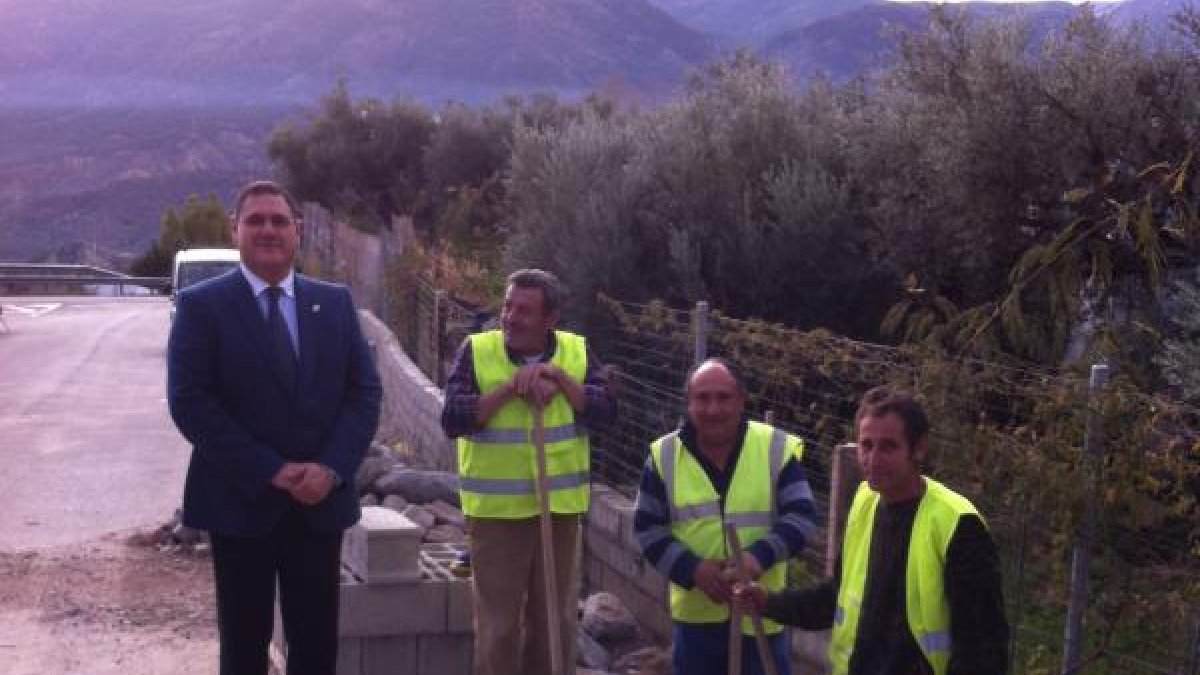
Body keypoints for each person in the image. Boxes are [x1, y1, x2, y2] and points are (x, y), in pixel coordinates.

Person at [167, 180, 382, 675]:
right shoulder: (203, 308)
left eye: (279, 220)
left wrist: (330, 469)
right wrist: (271, 470)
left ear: (297, 231)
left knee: (316, 645)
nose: (268, 230)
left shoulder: (334, 303)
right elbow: (190, 403)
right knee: (243, 648)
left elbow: (363, 394)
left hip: (319, 503)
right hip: (239, 502)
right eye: (256, 220)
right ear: (234, 229)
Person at [733, 386, 1010, 675]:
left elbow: (983, 650)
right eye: (866, 445)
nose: (873, 459)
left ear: (919, 448)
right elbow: (834, 599)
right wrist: (770, 602)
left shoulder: (957, 525)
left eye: (889, 446)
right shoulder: (866, 500)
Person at [440, 268, 616, 675]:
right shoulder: (478, 350)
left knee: (554, 622)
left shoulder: (575, 351)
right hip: (497, 515)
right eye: (507, 306)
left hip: (559, 512)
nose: (510, 317)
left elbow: (606, 411)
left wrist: (560, 380)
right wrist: (509, 389)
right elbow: (453, 418)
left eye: (524, 310)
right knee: (499, 627)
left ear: (550, 319)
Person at [634, 358, 818, 675]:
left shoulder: (774, 448)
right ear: (689, 404)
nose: (713, 409)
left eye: (723, 397)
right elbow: (646, 529)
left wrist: (758, 558)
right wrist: (693, 570)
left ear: (741, 401)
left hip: (761, 613)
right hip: (696, 623)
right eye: (702, 398)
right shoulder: (664, 457)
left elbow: (802, 518)